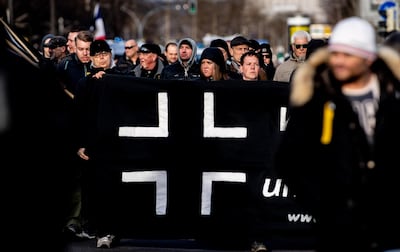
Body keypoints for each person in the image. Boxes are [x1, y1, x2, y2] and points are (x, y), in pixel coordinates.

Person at [274, 16, 400, 252]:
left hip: (390, 234)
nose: (339, 61)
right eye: (335, 54)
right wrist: (324, 207)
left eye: (348, 55)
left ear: (368, 58)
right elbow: (289, 160)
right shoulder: (316, 95)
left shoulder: (393, 94)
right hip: (336, 232)